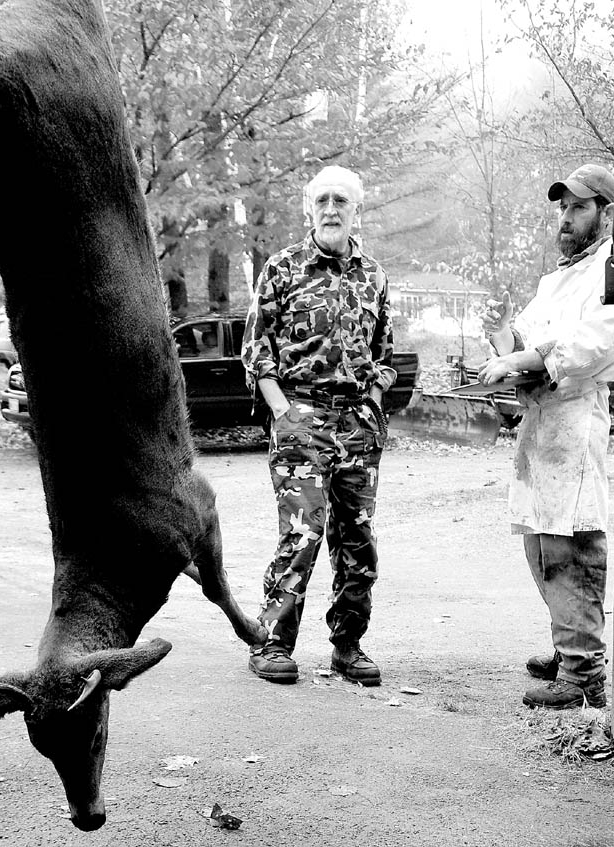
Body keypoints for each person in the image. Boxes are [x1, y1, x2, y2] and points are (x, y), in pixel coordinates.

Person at [241, 165, 396, 685]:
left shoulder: (374, 275)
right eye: (322, 200)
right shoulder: (282, 269)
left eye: (341, 201)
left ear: (357, 211)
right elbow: (255, 350)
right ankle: (271, 644)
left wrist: (372, 402)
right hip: (300, 415)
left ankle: (348, 646)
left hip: (357, 421)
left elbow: (385, 354)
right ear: (310, 208)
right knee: (303, 532)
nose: (331, 209)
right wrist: (283, 412)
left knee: (357, 539)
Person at [478, 163, 614, 710]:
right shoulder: (557, 277)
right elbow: (527, 336)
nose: (566, 217)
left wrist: (530, 356)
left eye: (579, 207)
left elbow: (601, 341)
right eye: (562, 207)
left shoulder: (610, 272)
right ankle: (571, 645)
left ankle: (584, 671)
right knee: (540, 542)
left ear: (605, 213)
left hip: (575, 420)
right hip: (540, 425)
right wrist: (502, 335)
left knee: (574, 544)